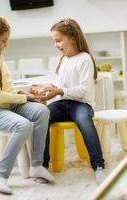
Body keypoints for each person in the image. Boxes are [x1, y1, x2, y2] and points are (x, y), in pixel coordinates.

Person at [0, 15, 54, 195]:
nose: (5, 44)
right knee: (23, 125)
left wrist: (24, 94)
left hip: (10, 105)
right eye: (3, 40)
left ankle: (37, 165)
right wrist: (26, 98)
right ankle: (1, 176)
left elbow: (7, 88)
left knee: (42, 111)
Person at [40, 18, 106, 185]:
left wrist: (60, 90)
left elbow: (84, 90)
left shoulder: (84, 59)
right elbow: (63, 86)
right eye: (54, 41)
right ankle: (42, 166)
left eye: (58, 40)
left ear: (73, 39)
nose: (56, 45)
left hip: (81, 104)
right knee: (41, 115)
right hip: (64, 103)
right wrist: (51, 89)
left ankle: (98, 167)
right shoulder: (63, 59)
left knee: (84, 120)